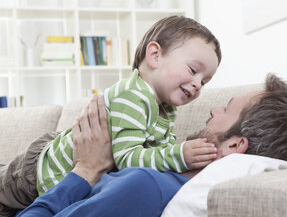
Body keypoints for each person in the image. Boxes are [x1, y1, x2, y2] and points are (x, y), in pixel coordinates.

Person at [0, 15, 222, 216]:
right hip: (37, 172)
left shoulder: (166, 108)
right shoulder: (133, 95)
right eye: (193, 70)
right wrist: (180, 154)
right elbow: (128, 159)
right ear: (155, 55)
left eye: (204, 81)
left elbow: (157, 154)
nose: (197, 84)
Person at [16, 73, 287, 216]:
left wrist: (85, 170)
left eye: (226, 109)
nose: (212, 110)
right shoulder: (163, 172)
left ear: (234, 146)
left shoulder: (145, 186)